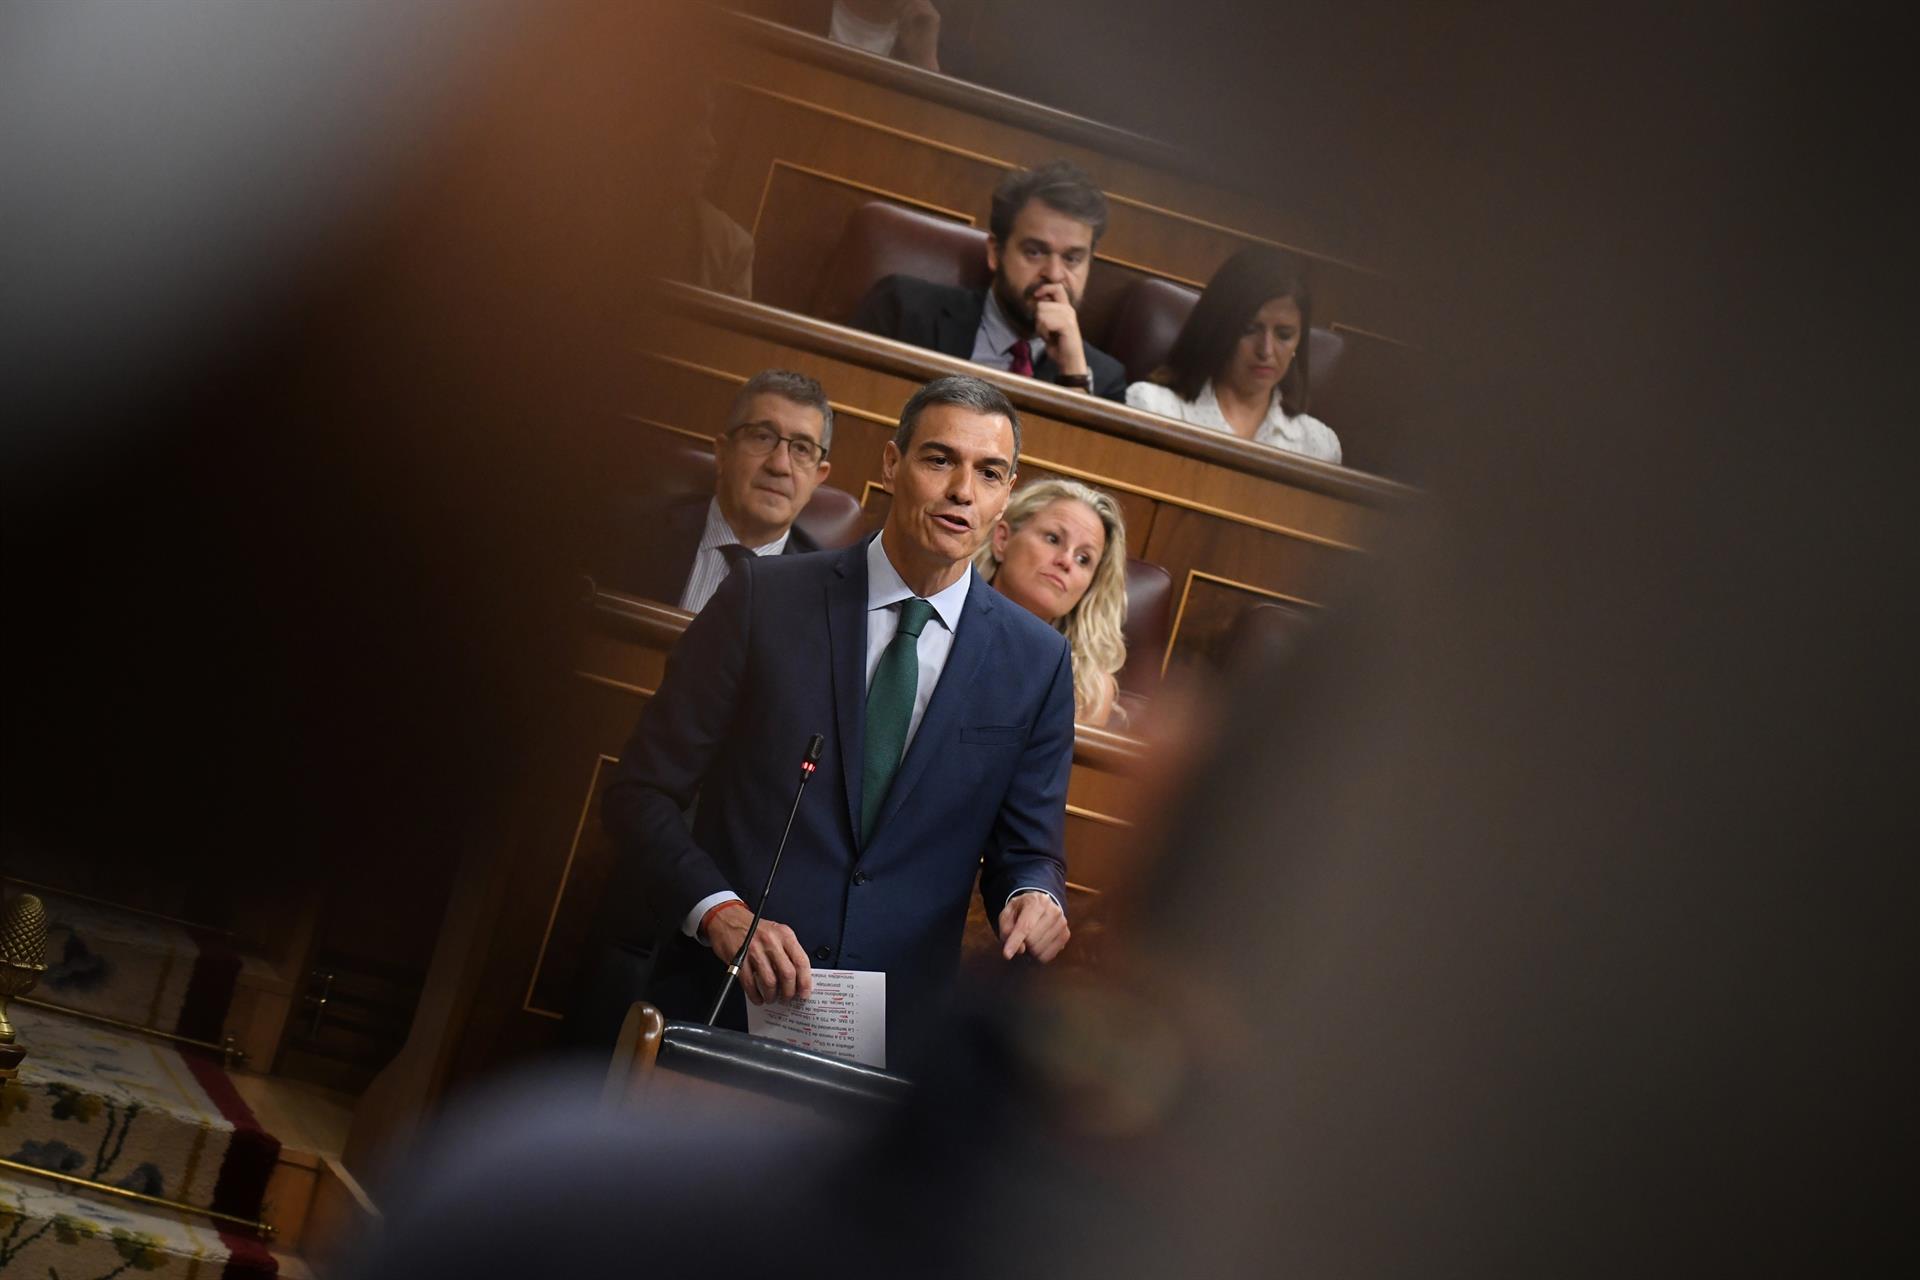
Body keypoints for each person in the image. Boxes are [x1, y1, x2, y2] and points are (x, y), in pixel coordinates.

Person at [594, 374, 1074, 1066]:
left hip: (886, 1049)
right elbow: (639, 793)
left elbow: (1027, 851)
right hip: (720, 1006)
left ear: (1007, 493)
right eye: (940, 460)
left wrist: (1035, 896)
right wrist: (717, 910)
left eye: (989, 472)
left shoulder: (1038, 664)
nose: (962, 491)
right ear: (891, 463)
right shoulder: (763, 598)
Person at [852, 161, 1129, 401]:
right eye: (1034, 252)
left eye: (1072, 259)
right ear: (995, 253)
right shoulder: (903, 309)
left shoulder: (1105, 381)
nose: (1054, 274)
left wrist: (1074, 375)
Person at [599, 370, 834, 612]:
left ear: (817, 477)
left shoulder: (828, 594)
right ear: (723, 454)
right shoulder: (628, 531)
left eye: (802, 449)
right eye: (762, 437)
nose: (779, 465)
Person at [1125, 246, 1342, 463]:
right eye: (1249, 330)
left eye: (1284, 335)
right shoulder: (1152, 408)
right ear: (1220, 330)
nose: (1265, 350)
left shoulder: (1319, 446)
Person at [973, 478, 1129, 728]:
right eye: (1054, 539)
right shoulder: (937, 620)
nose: (1066, 561)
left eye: (1083, 559)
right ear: (1002, 540)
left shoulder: (1089, 689)